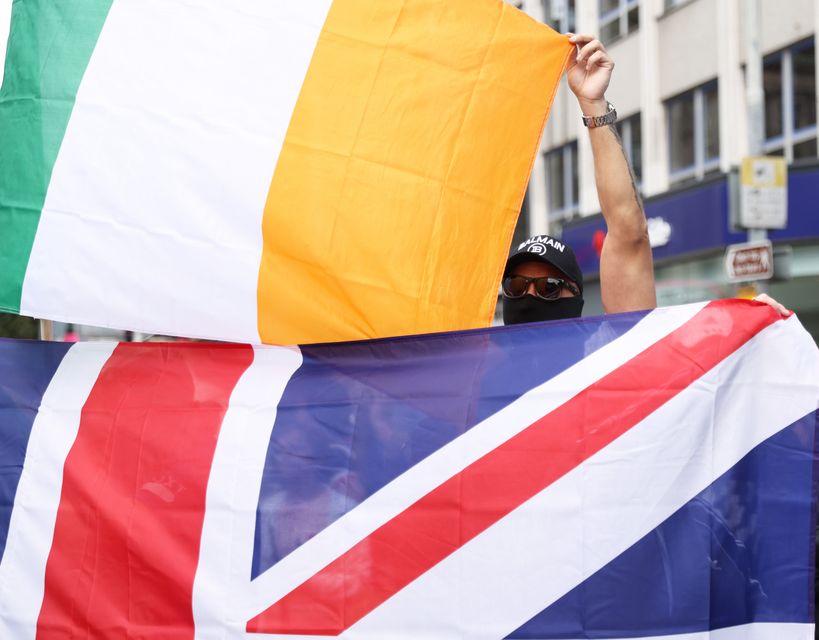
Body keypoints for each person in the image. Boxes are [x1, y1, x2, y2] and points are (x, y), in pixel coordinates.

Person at [502, 34, 788, 324]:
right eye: (515, 286)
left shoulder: (612, 356)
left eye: (548, 287)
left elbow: (629, 230)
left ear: (575, 295)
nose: (530, 296)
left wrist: (593, 105)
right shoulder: (474, 362)